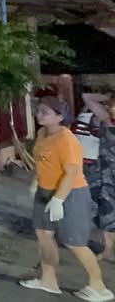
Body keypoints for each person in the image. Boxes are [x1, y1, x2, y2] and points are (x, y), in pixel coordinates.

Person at [20, 97, 112, 302]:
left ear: (60, 117)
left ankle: (99, 287)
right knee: (44, 235)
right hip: (44, 191)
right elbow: (42, 162)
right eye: (39, 110)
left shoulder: (67, 140)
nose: (39, 115)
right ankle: (48, 280)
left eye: (45, 112)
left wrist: (59, 200)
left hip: (71, 193)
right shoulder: (42, 134)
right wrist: (36, 182)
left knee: (74, 242)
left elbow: (71, 173)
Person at [81, 93, 115, 263]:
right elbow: (86, 97)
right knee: (105, 211)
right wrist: (108, 97)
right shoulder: (106, 119)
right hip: (104, 173)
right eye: (112, 106)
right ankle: (108, 250)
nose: (112, 109)